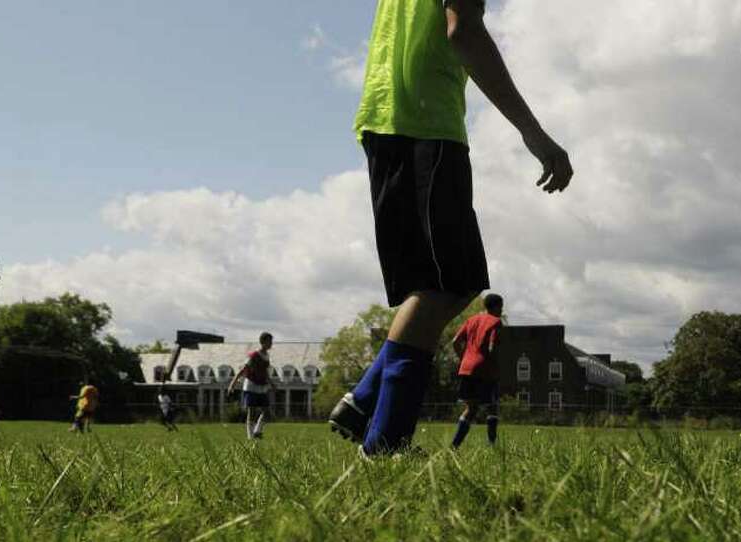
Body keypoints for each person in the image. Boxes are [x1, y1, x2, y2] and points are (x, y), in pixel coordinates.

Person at [328, 0, 574, 455]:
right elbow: (463, 32)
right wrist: (533, 133)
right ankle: (384, 443)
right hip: (424, 121)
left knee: (445, 283)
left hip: (389, 115)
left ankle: (364, 405)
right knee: (443, 286)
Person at [451, 293, 503, 448]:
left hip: (467, 368)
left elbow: (455, 342)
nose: (501, 310)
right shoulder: (496, 322)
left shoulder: (471, 320)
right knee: (492, 406)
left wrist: (463, 359)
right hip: (484, 370)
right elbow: (492, 348)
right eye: (501, 306)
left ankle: (454, 446)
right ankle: (492, 445)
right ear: (496, 306)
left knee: (471, 409)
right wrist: (496, 367)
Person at [227, 332, 274, 440]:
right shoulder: (254, 355)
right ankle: (250, 437)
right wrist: (232, 384)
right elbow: (243, 370)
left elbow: (265, 373)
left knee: (266, 411)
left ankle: (257, 431)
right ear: (263, 342)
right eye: (269, 341)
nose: (271, 344)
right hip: (251, 386)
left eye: (271, 341)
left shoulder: (266, 356)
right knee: (251, 412)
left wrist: (271, 384)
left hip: (262, 387)